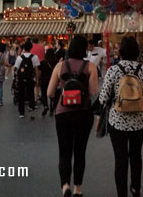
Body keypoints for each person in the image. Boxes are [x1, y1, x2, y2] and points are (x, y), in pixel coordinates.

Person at [98, 36, 143, 197]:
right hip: (139, 121)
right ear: (137, 52)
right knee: (136, 156)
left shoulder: (113, 70)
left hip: (117, 122)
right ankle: (135, 188)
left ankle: (121, 193)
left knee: (120, 159)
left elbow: (103, 98)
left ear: (120, 52)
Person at [47, 35, 98, 197]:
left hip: (63, 113)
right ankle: (77, 188)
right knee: (80, 151)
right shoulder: (90, 67)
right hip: (83, 113)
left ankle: (65, 185)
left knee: (64, 150)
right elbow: (93, 92)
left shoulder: (59, 66)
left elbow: (49, 93)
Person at [14, 40, 41, 119]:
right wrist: (37, 79)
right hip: (30, 79)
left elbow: (16, 69)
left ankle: (21, 112)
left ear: (24, 48)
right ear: (31, 48)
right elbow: (36, 70)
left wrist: (15, 79)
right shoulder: (34, 57)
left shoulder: (20, 57)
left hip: (21, 79)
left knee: (21, 95)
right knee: (31, 94)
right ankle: (31, 108)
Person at [40, 48, 59, 116]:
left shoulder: (43, 62)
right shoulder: (56, 62)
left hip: (44, 80)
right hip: (53, 80)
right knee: (53, 93)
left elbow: (40, 70)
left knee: (44, 94)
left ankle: (45, 106)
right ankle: (52, 107)